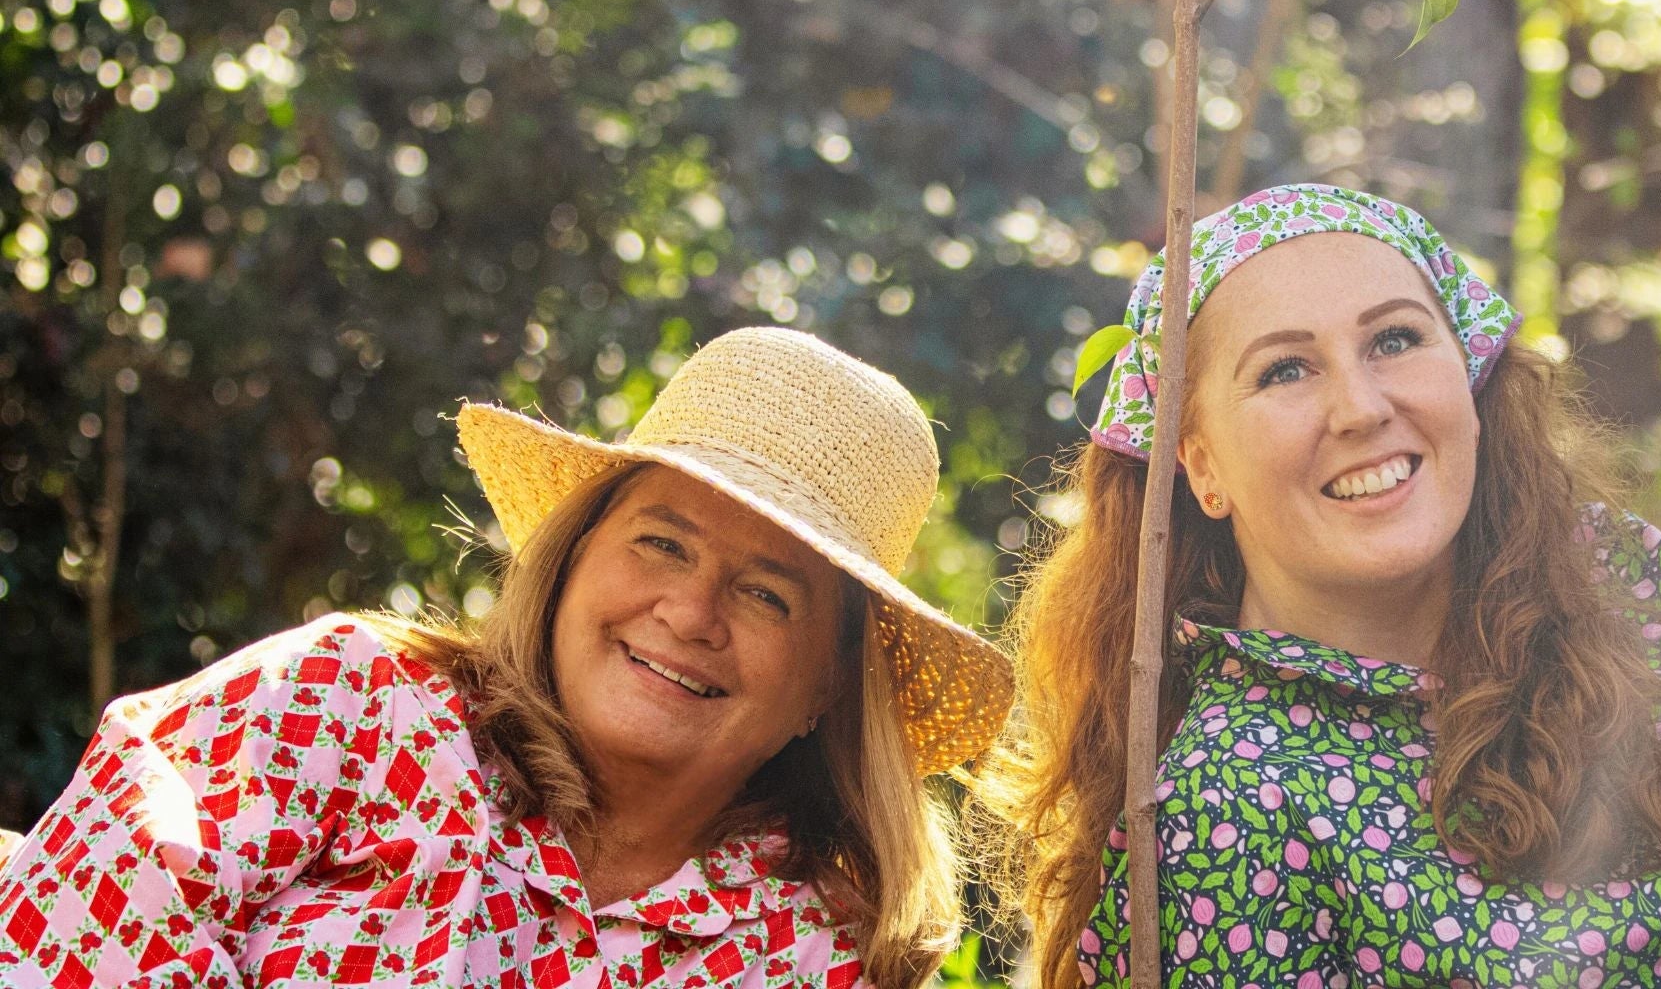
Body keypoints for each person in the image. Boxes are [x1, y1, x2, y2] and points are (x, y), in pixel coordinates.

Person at [977, 184, 1661, 988]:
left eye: (1395, 338)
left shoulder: (1607, 570)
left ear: (1468, 377)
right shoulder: (1222, 810)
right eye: (1285, 369)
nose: (1360, 406)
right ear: (1196, 464)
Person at [0, 326, 1012, 989]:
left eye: (764, 593)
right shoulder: (348, 701)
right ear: (570, 560)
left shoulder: (809, 955)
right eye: (661, 542)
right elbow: (81, 909)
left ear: (824, 688)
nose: (689, 610)